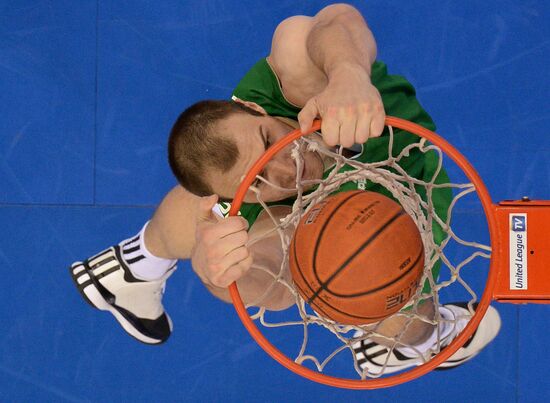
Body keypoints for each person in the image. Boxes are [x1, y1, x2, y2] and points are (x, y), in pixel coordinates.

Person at [70, 4, 500, 373]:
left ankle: (135, 267)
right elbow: (274, 283)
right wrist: (219, 273)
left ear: (255, 108)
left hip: (402, 159)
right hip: (399, 211)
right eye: (254, 184)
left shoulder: (291, 84)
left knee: (208, 197)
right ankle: (419, 344)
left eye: (268, 141)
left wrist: (347, 73)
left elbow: (333, 21)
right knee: (368, 277)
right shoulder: (241, 205)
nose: (284, 171)